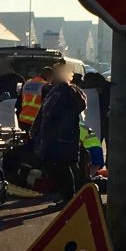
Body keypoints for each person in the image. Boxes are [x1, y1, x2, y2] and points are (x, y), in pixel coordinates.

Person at [31, 63, 87, 209]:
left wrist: (51, 133)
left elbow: (54, 116)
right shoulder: (53, 91)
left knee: (61, 168)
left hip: (61, 139)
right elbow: (43, 113)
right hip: (57, 138)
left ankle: (68, 199)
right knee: (57, 167)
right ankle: (66, 197)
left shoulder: (65, 92)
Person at [19, 66, 54, 134]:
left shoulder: (27, 83)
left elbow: (19, 102)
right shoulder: (46, 86)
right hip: (36, 121)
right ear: (49, 76)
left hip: (23, 120)